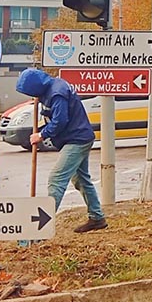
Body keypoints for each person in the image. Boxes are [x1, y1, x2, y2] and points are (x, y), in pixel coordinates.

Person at [16, 68, 107, 233]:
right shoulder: (53, 87)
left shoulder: (57, 93)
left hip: (77, 140)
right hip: (78, 136)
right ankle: (97, 217)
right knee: (81, 180)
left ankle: (40, 227)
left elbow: (60, 120)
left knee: (56, 179)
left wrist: (41, 135)